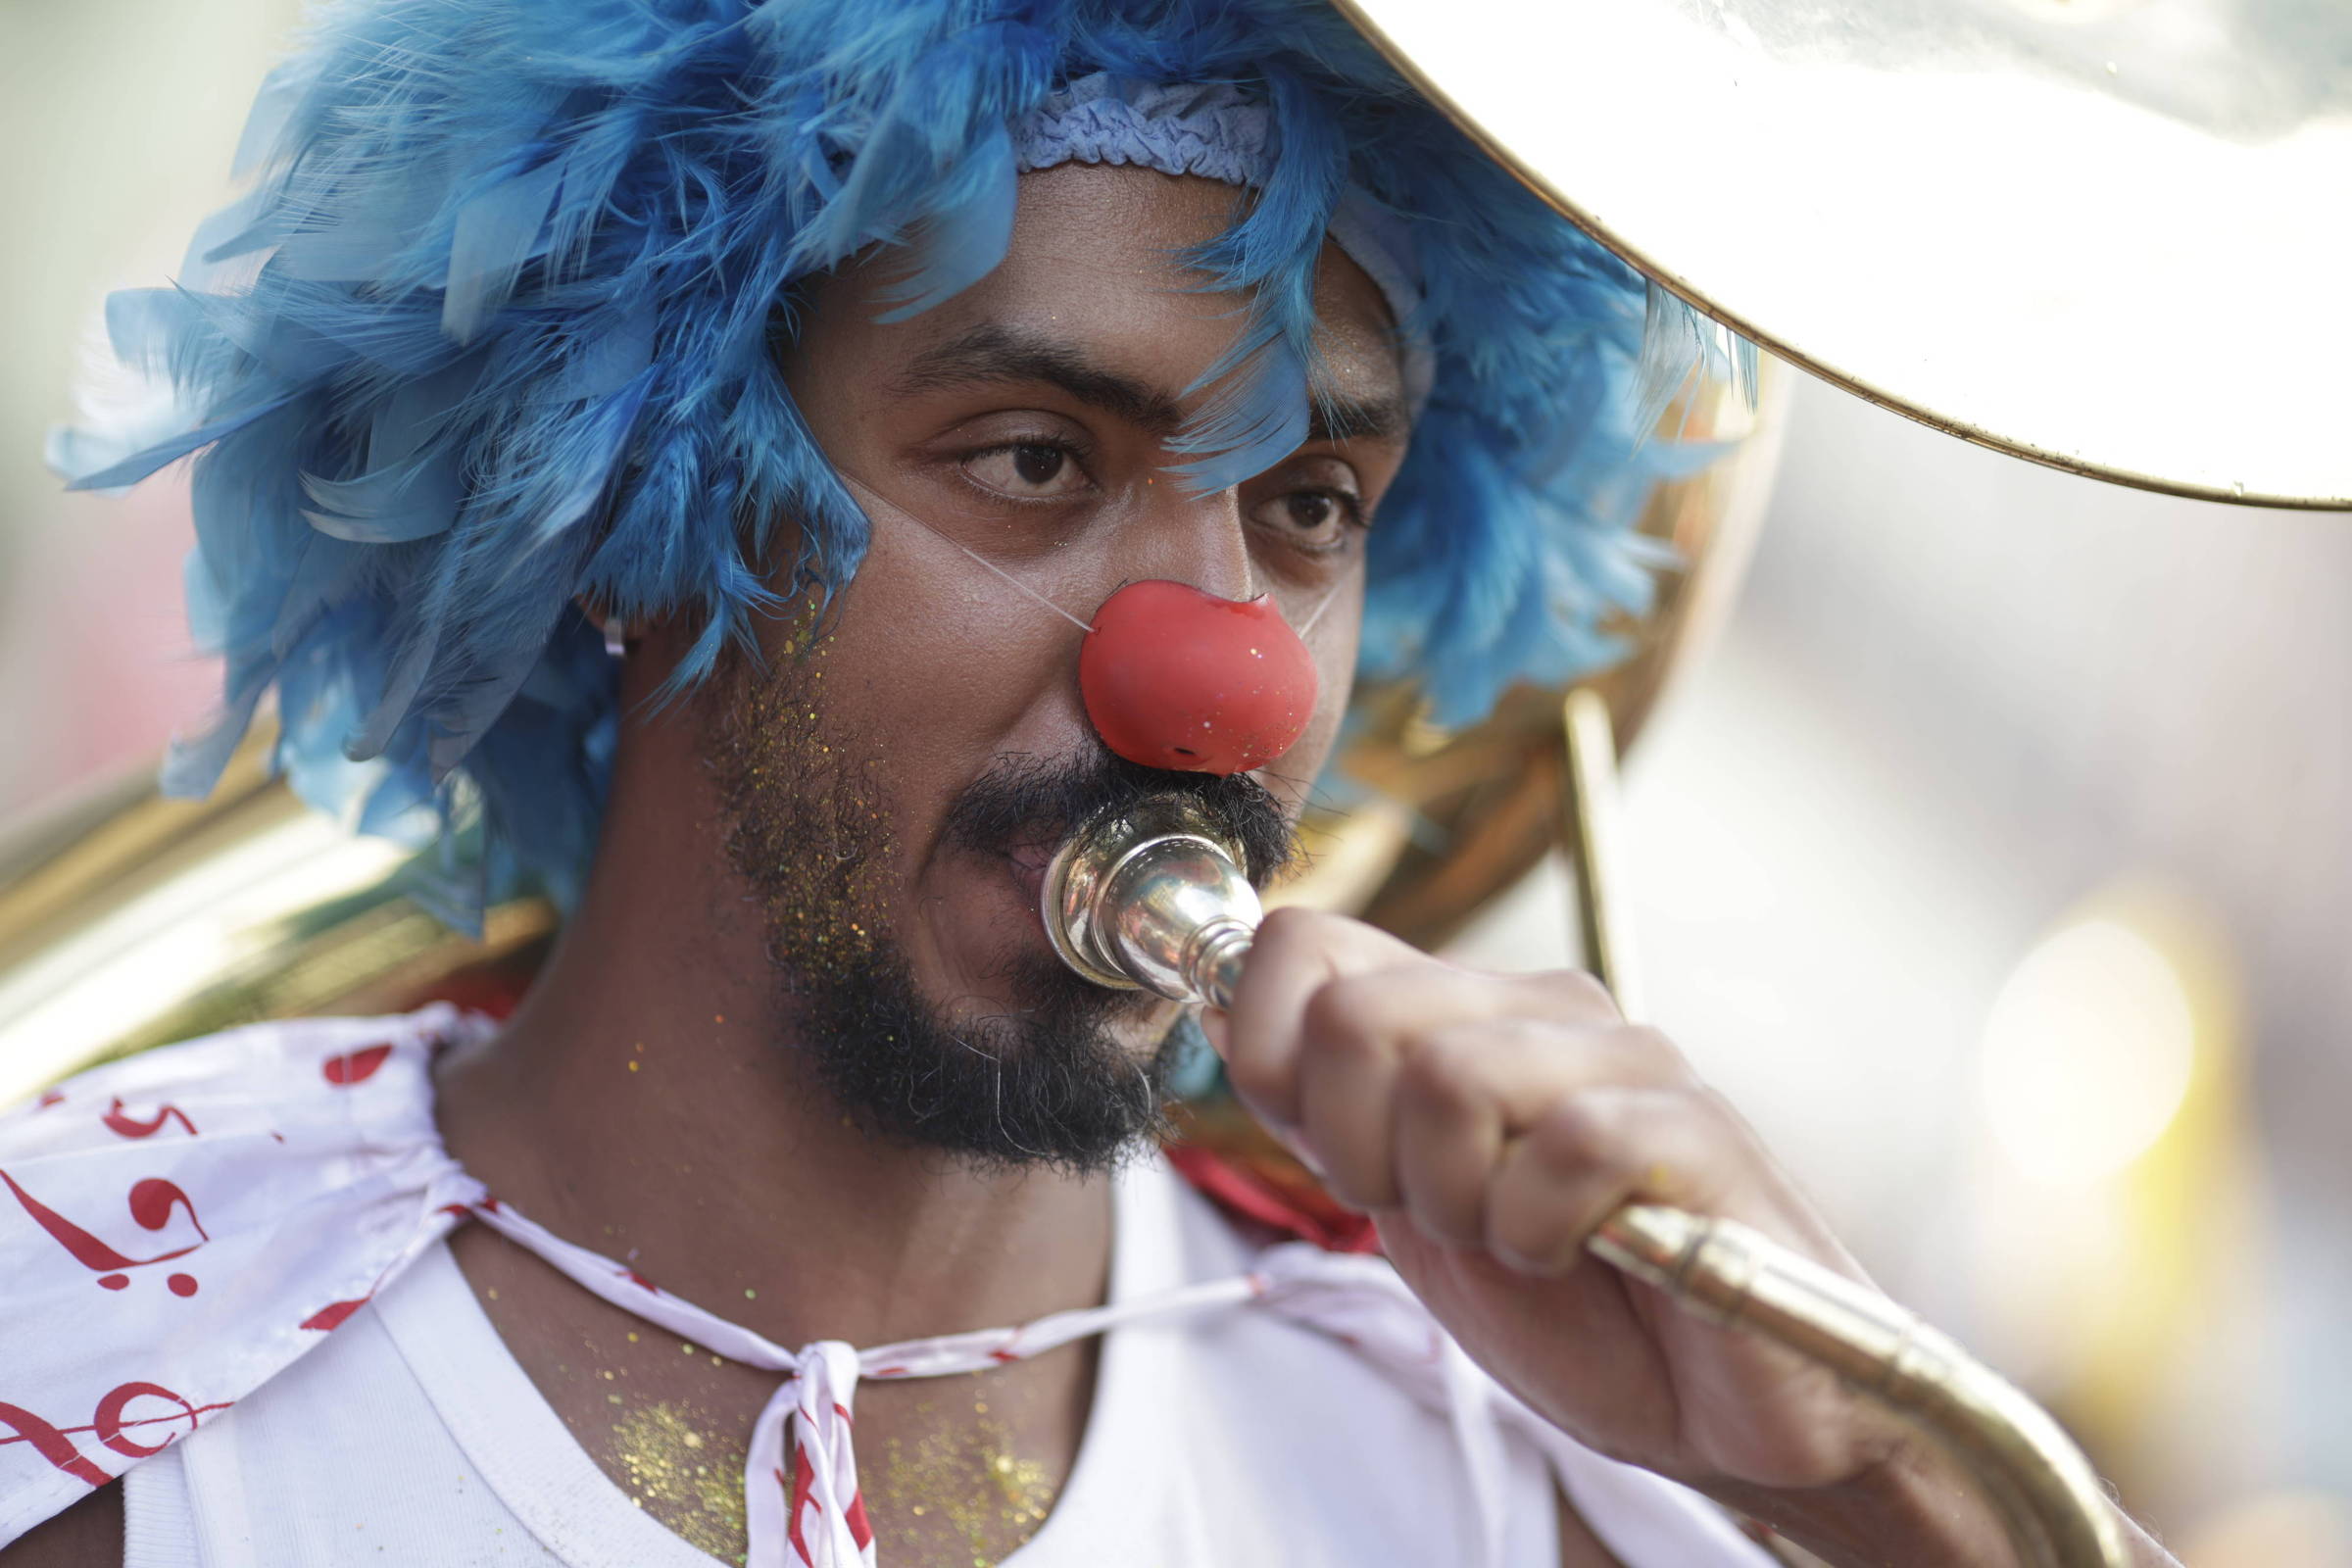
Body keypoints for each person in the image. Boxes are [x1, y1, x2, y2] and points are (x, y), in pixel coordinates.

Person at [1, 1, 2178, 1564]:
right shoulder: (86, 1376)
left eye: (1315, 501)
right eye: (1038, 460)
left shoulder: (1536, 1471)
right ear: (632, 508)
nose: (1218, 678)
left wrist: (1879, 1488)